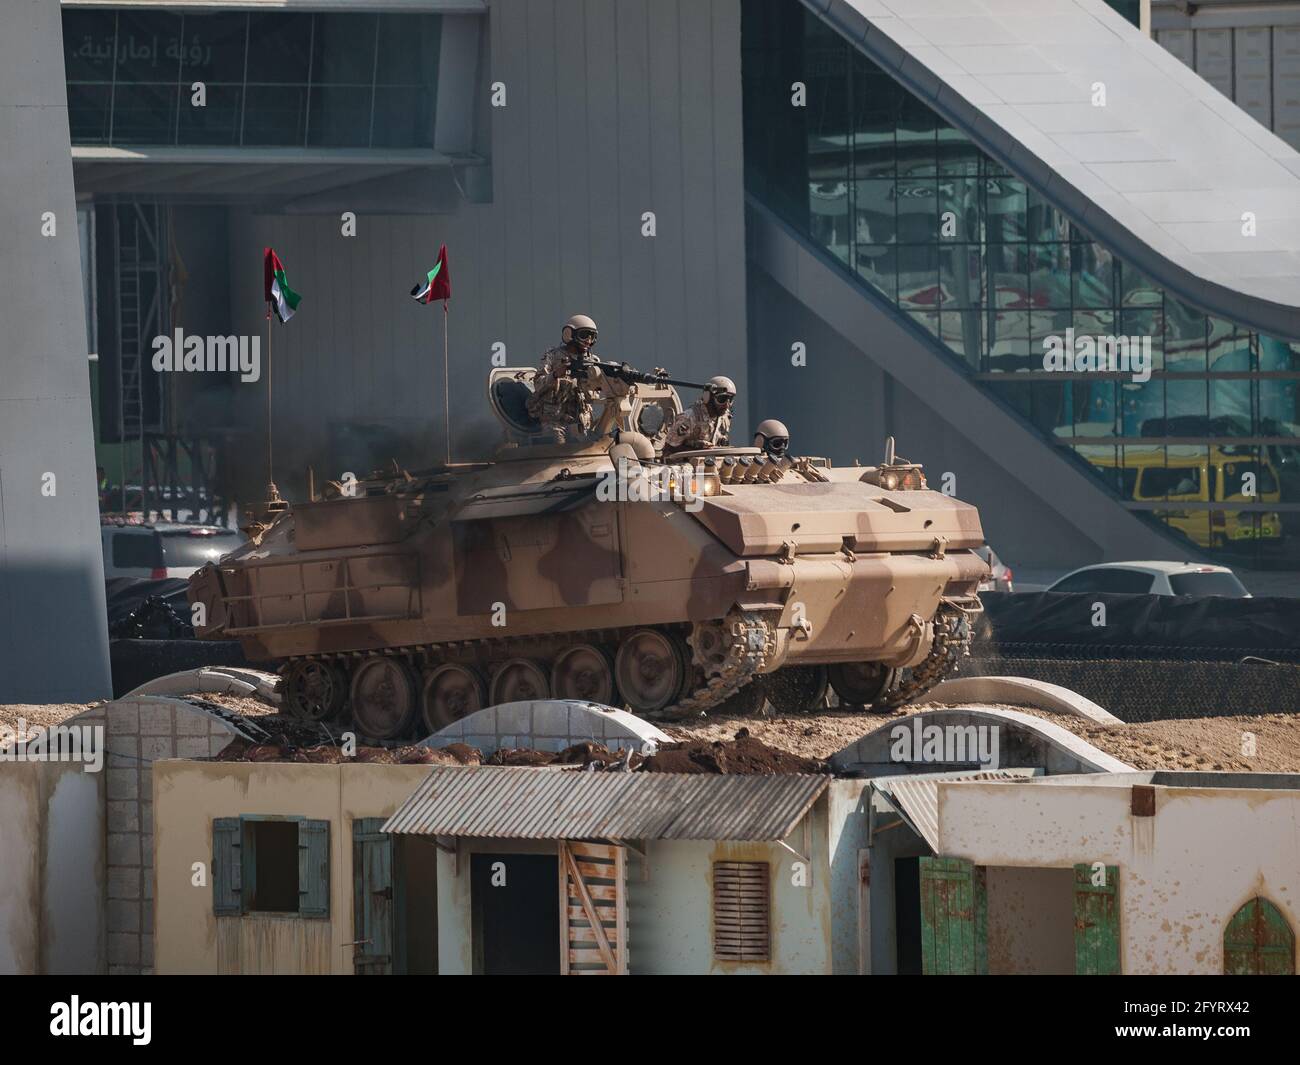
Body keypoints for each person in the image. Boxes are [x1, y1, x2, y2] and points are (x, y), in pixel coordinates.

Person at [526, 314, 601, 441]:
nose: (588, 341)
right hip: (555, 420)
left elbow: (597, 394)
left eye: (592, 336)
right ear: (569, 334)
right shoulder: (553, 356)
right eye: (584, 335)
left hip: (581, 421)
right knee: (558, 448)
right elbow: (538, 384)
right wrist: (555, 375)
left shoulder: (593, 362)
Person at [663, 375, 736, 455]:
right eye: (722, 399)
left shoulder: (725, 418)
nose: (726, 405)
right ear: (708, 397)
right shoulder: (689, 417)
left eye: (730, 400)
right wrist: (697, 450)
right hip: (686, 464)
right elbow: (669, 447)